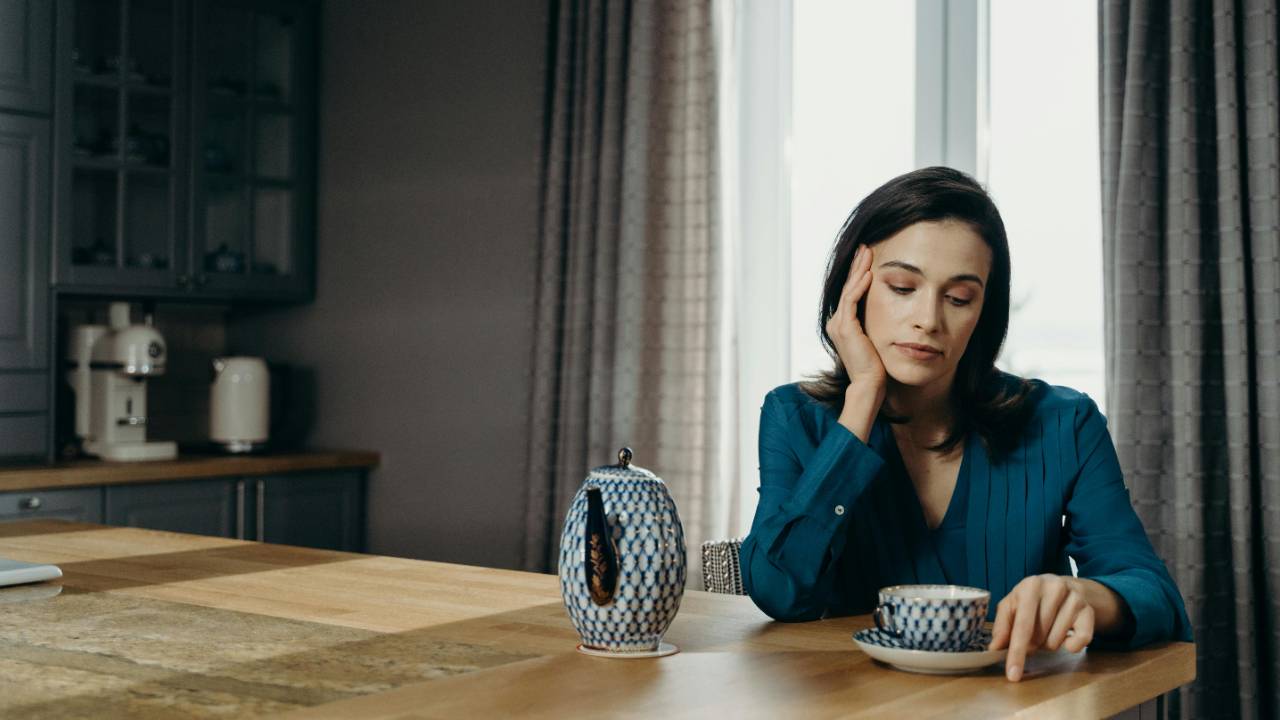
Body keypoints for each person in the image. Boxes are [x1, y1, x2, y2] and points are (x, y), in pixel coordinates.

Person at [740, 166, 1192, 682]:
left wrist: (1086, 595)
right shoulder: (795, 418)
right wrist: (862, 399)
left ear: (984, 312)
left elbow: (1157, 596)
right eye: (903, 286)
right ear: (855, 290)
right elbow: (778, 592)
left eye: (958, 298)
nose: (928, 319)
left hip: (1020, 707)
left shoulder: (1065, 423)